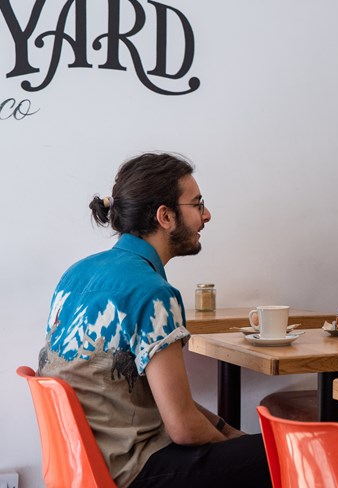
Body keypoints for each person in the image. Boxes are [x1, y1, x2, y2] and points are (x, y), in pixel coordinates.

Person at [38, 153, 269, 488]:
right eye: (197, 203)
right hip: (132, 471)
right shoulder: (152, 292)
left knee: (253, 448)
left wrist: (228, 433)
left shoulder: (77, 273)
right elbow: (184, 427)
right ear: (165, 216)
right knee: (284, 454)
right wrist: (243, 449)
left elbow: (171, 402)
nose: (206, 215)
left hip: (80, 465)